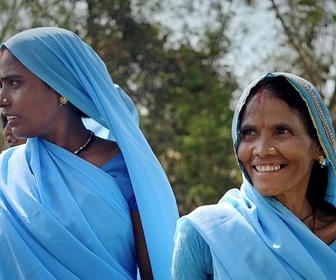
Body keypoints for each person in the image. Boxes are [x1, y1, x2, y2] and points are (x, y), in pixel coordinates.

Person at [0, 27, 179, 279]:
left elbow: (156, 271)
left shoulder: (129, 169)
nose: (2, 99)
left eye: (14, 83)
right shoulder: (7, 173)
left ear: (59, 87)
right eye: (1, 86)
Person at [171, 72, 336, 279]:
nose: (262, 150)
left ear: (320, 147)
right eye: (249, 133)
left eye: (282, 131)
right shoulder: (207, 235)